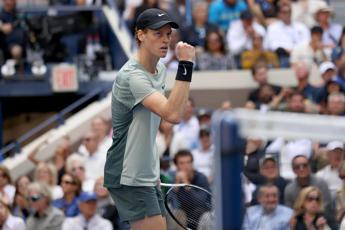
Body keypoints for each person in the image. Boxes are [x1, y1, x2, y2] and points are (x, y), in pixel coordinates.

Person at [104, 8, 195, 230]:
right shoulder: (132, 76)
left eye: (168, 34)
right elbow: (172, 114)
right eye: (158, 34)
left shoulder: (160, 69)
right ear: (140, 35)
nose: (165, 40)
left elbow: (150, 125)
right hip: (127, 172)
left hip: (144, 170)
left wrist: (151, 168)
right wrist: (186, 66)